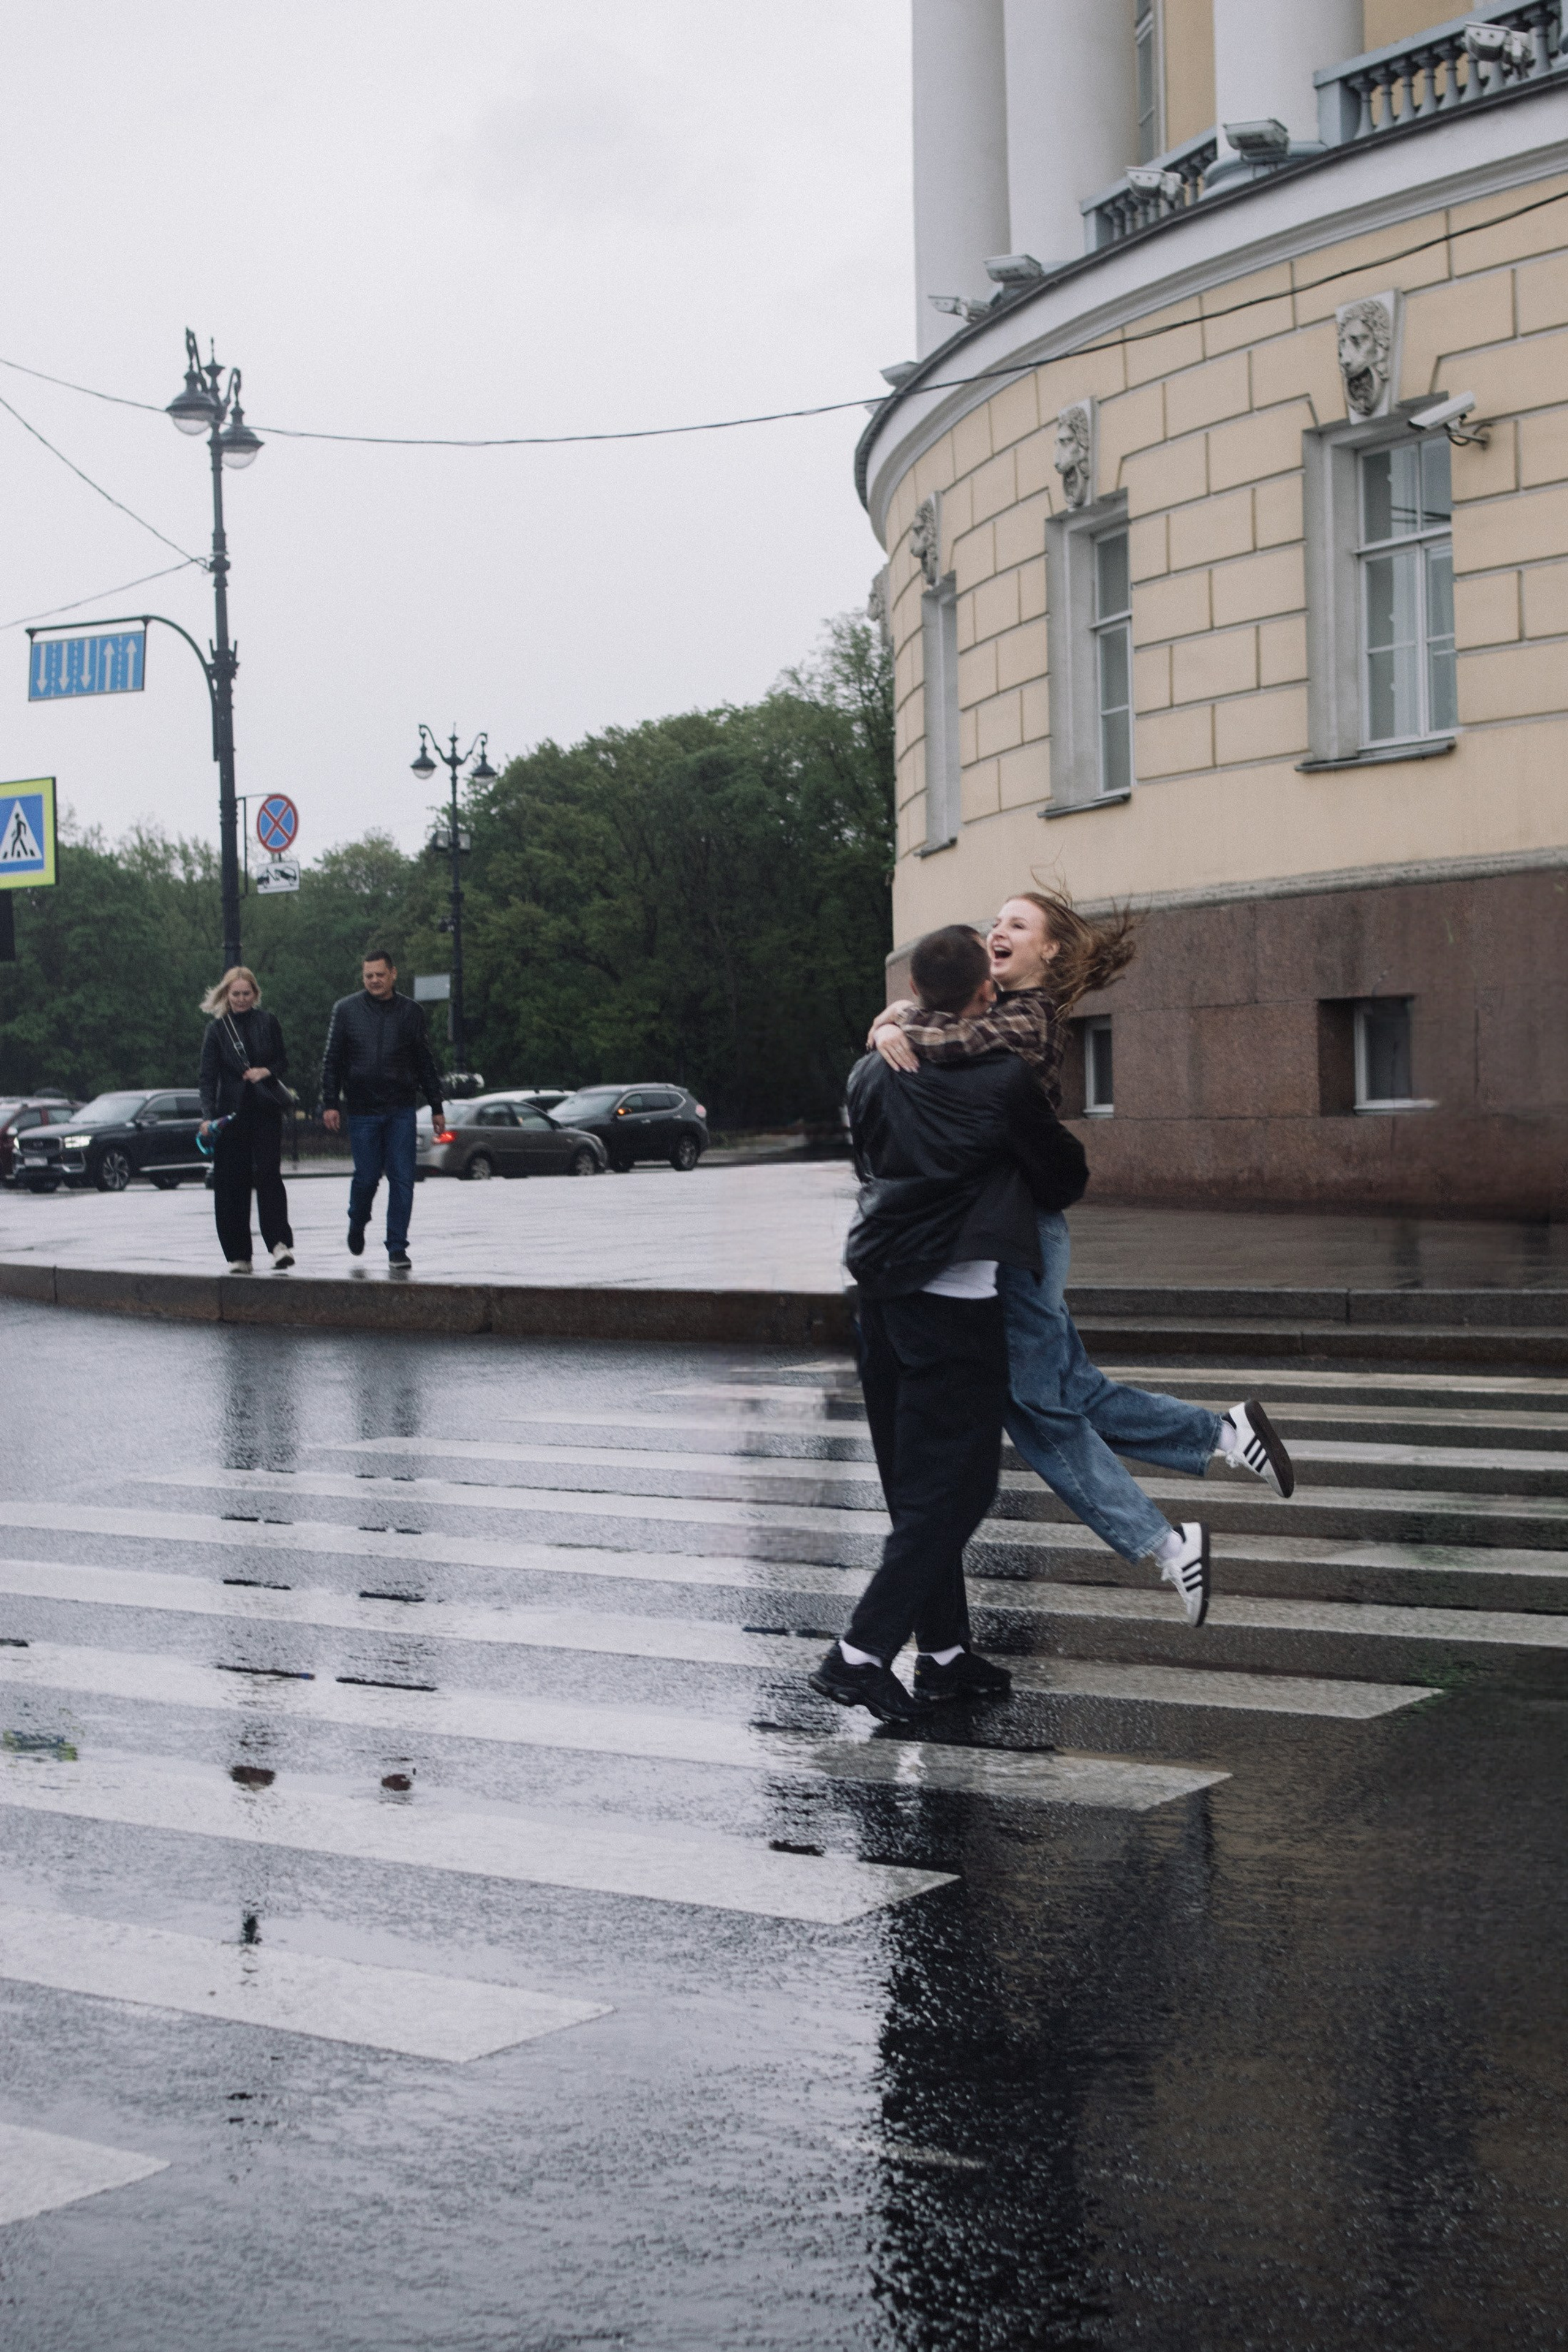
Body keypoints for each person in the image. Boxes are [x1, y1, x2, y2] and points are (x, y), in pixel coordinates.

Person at [870, 889, 1295, 1628]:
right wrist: (892, 1021)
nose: (998, 931)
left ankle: (1166, 1543)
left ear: (1049, 950)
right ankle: (1225, 1435)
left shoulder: (1029, 1019)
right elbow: (942, 1029)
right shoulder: (998, 1009)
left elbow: (950, 1045)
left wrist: (891, 1024)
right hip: (1010, 1232)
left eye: (1017, 925)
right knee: (1070, 1389)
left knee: (1036, 1406)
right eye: (995, 922)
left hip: (1020, 1235)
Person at [809, 924, 1089, 1726]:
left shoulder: (870, 1069)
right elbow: (1062, 1176)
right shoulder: (1002, 1079)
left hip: (878, 1291)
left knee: (916, 1486)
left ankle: (942, 1653)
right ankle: (859, 1655)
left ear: (913, 991)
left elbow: (869, 1163)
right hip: (953, 1302)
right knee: (960, 1488)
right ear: (983, 994)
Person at [319, 949, 445, 1272]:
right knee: (367, 1177)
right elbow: (332, 1060)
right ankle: (358, 1220)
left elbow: (424, 1061)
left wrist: (436, 1105)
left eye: (380, 974)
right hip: (362, 1110)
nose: (374, 980)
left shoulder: (411, 1012)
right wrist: (330, 1102)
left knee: (403, 1178)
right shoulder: (346, 1010)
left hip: (401, 1108)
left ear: (393, 974)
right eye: (368, 976)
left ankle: (397, 1247)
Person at [198, 967, 295, 1273]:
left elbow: (282, 1061)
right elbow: (207, 1077)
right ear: (226, 995)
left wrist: (266, 1071)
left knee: (269, 1176)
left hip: (265, 1110)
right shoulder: (216, 1030)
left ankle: (279, 1244)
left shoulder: (268, 1022)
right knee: (231, 1184)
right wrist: (207, 1117)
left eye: (246, 993)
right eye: (236, 994)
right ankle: (239, 1256)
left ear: (255, 994)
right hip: (230, 1116)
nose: (241, 999)